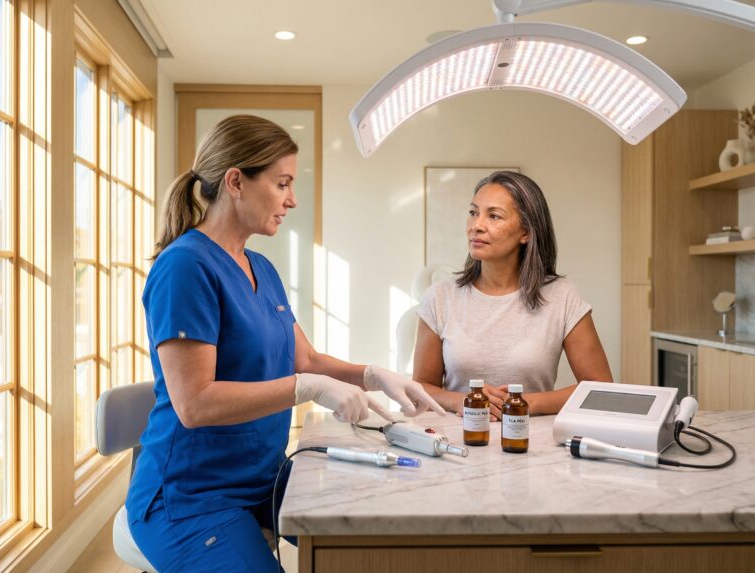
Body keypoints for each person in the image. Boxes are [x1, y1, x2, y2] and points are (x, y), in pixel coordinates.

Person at [126, 114, 444, 572]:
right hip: (191, 496)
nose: (292, 200)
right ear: (236, 181)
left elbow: (306, 358)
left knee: (378, 535)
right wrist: (306, 388)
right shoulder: (185, 268)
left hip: (263, 478)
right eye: (282, 184)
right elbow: (193, 403)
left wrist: (374, 375)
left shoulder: (261, 268)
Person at [413, 170, 612, 420]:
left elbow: (601, 387)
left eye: (494, 216)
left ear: (526, 232)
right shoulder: (440, 297)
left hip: (534, 444)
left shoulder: (562, 297)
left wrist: (522, 403)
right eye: (474, 212)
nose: (477, 225)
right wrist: (462, 401)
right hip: (458, 442)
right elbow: (420, 387)